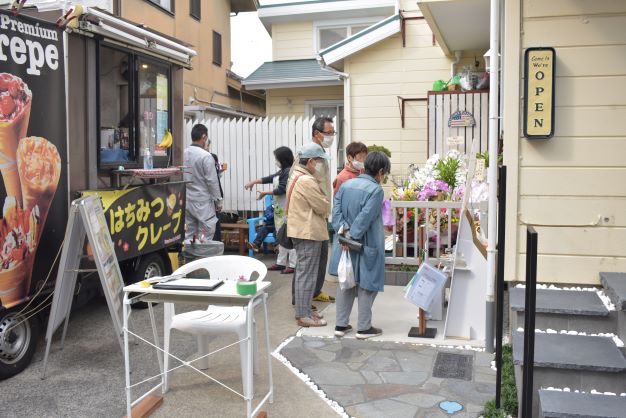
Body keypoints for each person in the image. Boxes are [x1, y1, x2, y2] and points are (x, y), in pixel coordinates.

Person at [329, 151, 391, 339]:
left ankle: (341, 325)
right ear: (380, 171)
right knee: (367, 283)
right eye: (385, 173)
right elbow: (366, 217)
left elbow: (336, 212)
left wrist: (344, 234)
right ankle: (364, 328)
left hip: (344, 242)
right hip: (365, 243)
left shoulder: (346, 185)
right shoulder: (376, 190)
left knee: (345, 282)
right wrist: (353, 236)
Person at [287, 143, 331, 327]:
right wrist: (326, 202)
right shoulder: (306, 180)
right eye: (320, 162)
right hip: (307, 231)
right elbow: (323, 206)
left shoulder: (297, 175)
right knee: (306, 274)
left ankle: (305, 312)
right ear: (311, 161)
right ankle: (303, 315)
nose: (321, 166)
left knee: (306, 273)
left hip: (303, 229)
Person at [296, 116, 336, 304]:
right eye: (329, 133)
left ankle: (314, 292)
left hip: (321, 211)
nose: (332, 136)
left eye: (333, 132)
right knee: (307, 263)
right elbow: (311, 188)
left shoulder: (321, 153)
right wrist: (324, 205)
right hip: (311, 213)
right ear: (316, 133)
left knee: (320, 258)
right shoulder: (309, 154)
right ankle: (301, 300)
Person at [245, 146, 297, 274]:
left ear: (282, 159)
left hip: (288, 209)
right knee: (281, 236)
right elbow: (269, 178)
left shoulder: (289, 171)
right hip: (279, 210)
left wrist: (265, 192)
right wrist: (254, 182)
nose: (276, 160)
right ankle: (280, 262)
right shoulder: (282, 171)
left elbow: (282, 189)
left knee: (289, 236)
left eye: (277, 158)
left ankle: (293, 264)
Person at [183, 124, 222, 243]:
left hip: (187, 200)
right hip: (203, 202)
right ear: (204, 137)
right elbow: (212, 181)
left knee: (189, 234)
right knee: (205, 234)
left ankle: (190, 259)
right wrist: (218, 201)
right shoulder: (205, 156)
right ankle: (202, 259)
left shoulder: (183, 153)